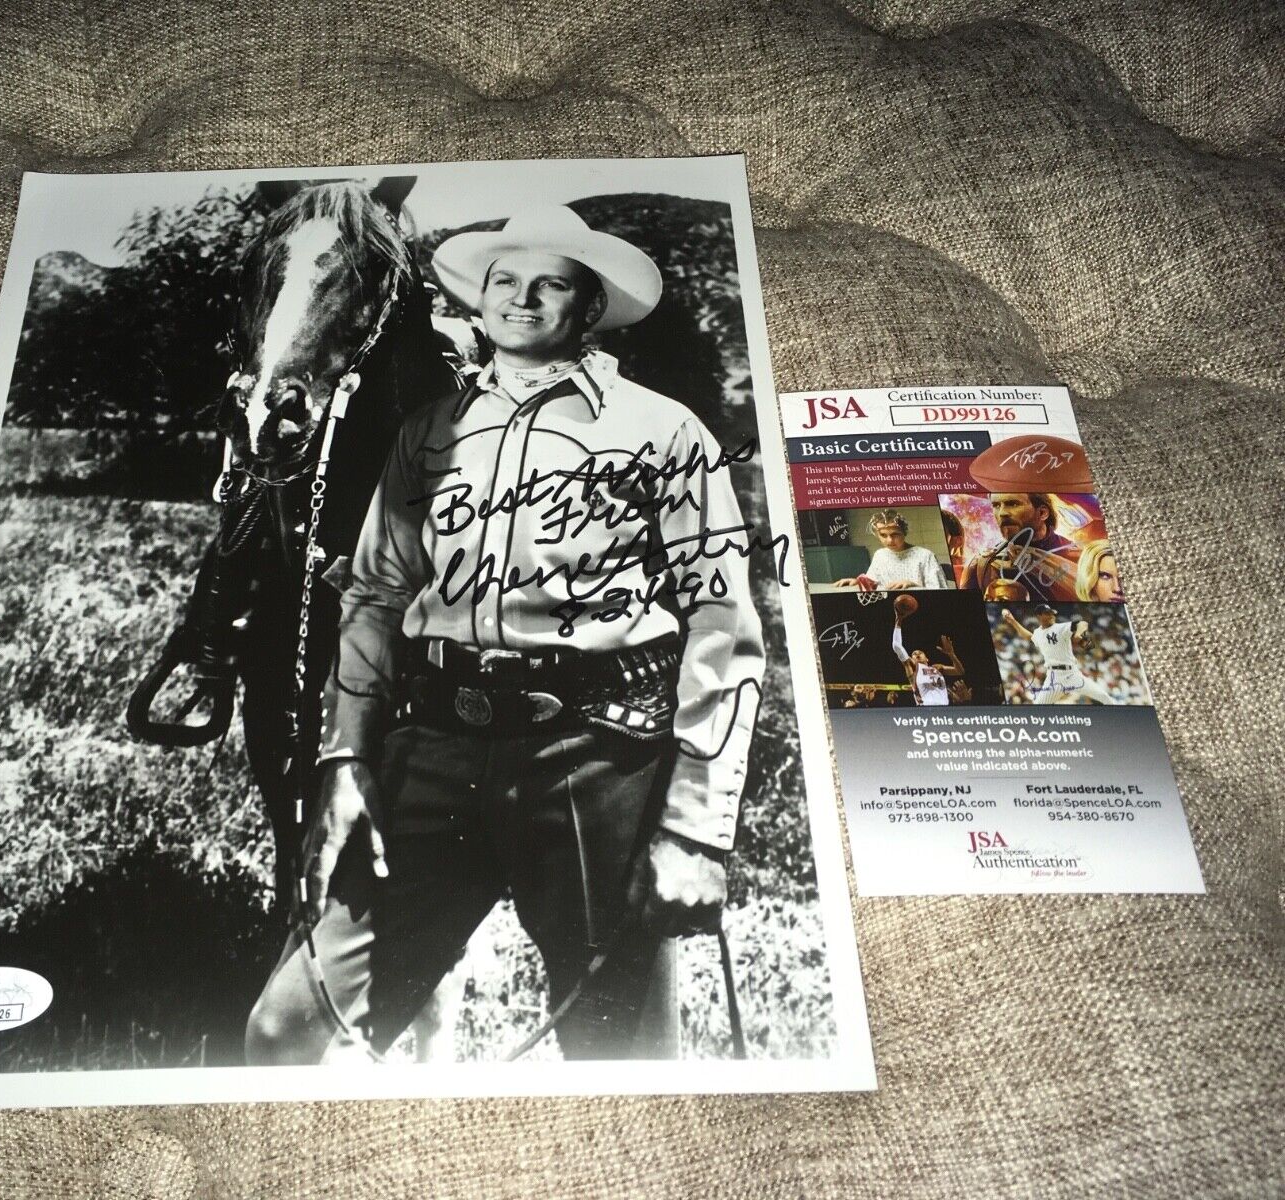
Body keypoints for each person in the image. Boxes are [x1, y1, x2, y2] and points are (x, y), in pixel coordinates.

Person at [245, 204, 764, 1063]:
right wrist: (346, 763)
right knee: (284, 1030)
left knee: (624, 1065)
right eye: (504, 282)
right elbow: (372, 598)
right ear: (479, 301)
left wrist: (696, 830)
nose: (522, 300)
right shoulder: (428, 434)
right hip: (435, 754)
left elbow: (723, 623)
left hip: (596, 759)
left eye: (550, 283)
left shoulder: (666, 433)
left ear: (588, 306)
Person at [960, 493, 1081, 602]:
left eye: (1013, 504)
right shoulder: (981, 564)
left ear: (1042, 513)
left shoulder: (1081, 559)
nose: (1002, 513)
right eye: (996, 505)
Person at [999, 605, 1114, 704]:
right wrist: (1013, 621)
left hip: (1072, 674)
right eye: (1048, 613)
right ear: (1039, 616)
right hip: (1054, 678)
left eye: (1053, 613)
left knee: (1104, 697)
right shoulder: (1038, 633)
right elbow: (1029, 636)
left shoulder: (1060, 627)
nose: (1052, 615)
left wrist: (1078, 634)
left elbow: (1082, 623)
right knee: (1039, 708)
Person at [833, 510, 945, 591]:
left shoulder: (925, 555)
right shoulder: (880, 555)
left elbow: (940, 590)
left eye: (895, 534)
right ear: (877, 535)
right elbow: (874, 583)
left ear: (904, 533)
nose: (889, 540)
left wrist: (913, 585)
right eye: (883, 535)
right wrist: (858, 582)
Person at [890, 614, 963, 706]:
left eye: (919, 652)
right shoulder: (913, 667)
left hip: (944, 711)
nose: (917, 654)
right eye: (913, 654)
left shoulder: (937, 668)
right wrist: (898, 621)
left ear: (927, 658)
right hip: (925, 710)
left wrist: (952, 655)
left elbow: (959, 671)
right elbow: (896, 646)